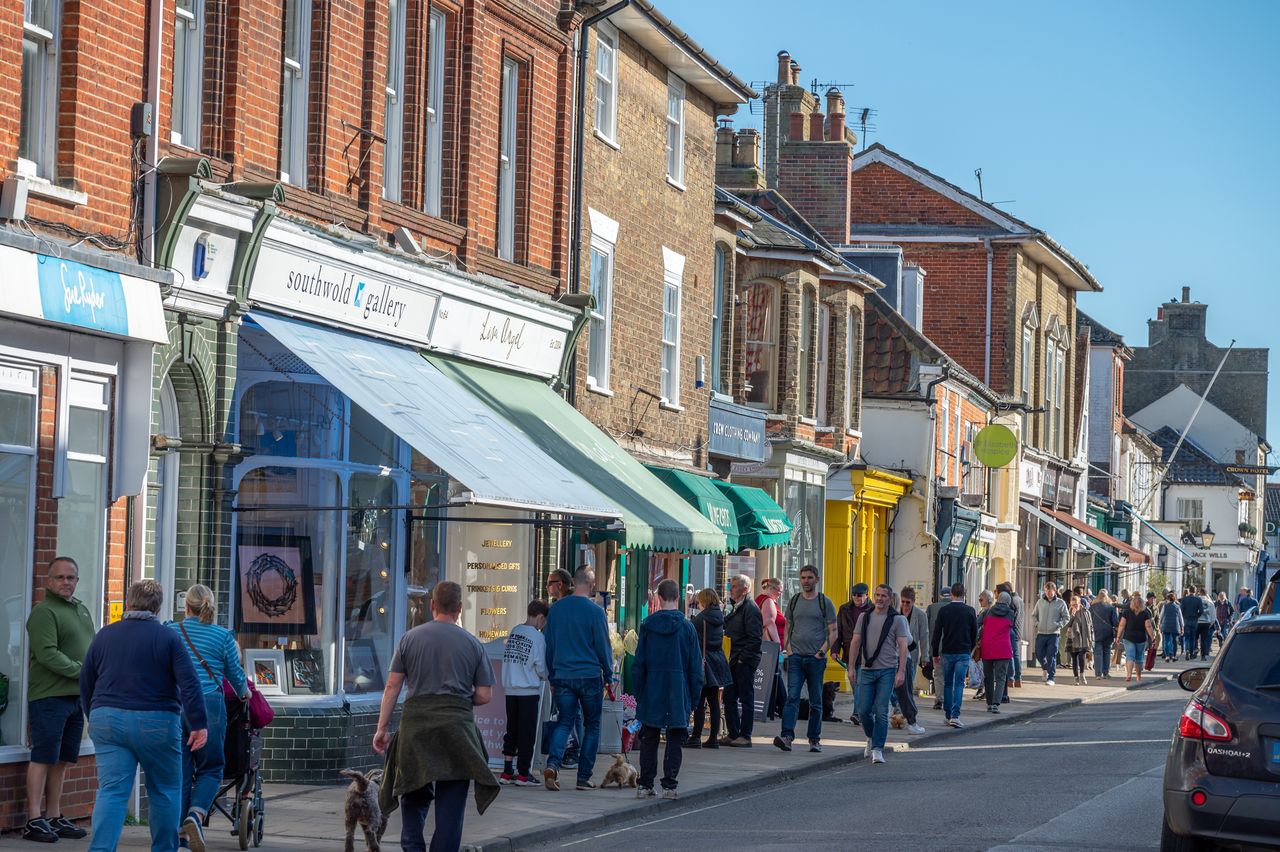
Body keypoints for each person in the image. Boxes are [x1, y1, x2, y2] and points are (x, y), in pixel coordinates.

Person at [81, 580, 208, 852]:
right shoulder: (168, 637)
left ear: (128, 602)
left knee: (112, 792)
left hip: (107, 719)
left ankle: (100, 849)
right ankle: (164, 849)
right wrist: (198, 723)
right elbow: (189, 683)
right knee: (164, 790)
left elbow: (86, 680)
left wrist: (94, 714)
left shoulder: (105, 635)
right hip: (157, 721)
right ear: (158, 606)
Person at [375, 581, 498, 852]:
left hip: (416, 729)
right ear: (459, 608)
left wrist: (382, 729)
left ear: (432, 605)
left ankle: (413, 847)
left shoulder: (410, 638)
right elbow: (485, 695)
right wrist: (459, 699)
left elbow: (392, 687)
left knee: (413, 793)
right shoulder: (473, 644)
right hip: (457, 731)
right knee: (451, 806)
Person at [170, 584, 250, 852]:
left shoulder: (172, 631)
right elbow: (236, 675)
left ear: (186, 606)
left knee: (181, 769)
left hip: (177, 704)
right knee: (211, 767)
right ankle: (196, 814)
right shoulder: (223, 636)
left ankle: (179, 835)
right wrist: (245, 693)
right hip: (210, 706)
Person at [24, 557, 96, 843]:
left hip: (75, 698)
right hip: (49, 696)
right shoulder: (44, 612)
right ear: (49, 581)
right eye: (60, 578)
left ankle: (53, 815)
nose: (66, 582)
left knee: (64, 759)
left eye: (71, 578)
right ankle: (33, 819)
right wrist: (83, 672)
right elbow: (47, 654)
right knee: (43, 756)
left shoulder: (81, 609)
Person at [542, 568, 614, 791]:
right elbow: (603, 646)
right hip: (590, 675)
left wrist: (552, 676)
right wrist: (609, 674)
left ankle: (553, 764)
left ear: (573, 581)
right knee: (592, 725)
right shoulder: (595, 611)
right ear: (592, 585)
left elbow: (549, 645)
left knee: (565, 721)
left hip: (563, 674)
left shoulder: (556, 609)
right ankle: (583, 777)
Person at [632, 580, 702, 800]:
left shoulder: (647, 625)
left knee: (649, 736)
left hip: (652, 686)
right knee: (675, 736)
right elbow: (695, 668)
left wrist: (639, 692)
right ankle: (669, 786)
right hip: (678, 687)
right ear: (678, 598)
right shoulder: (688, 627)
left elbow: (639, 664)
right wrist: (694, 698)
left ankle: (645, 785)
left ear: (658, 598)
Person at [775, 565, 837, 753]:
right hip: (796, 658)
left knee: (816, 700)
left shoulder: (824, 602)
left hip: (815, 659)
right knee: (792, 697)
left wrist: (821, 652)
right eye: (803, 578)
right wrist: (789, 649)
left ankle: (814, 739)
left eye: (810, 578)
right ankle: (786, 736)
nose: (806, 581)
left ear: (817, 580)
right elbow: (787, 628)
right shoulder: (794, 601)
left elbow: (833, 631)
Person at [846, 584, 910, 764]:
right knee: (864, 711)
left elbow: (903, 646)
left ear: (890, 599)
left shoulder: (897, 619)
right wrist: (851, 667)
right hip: (866, 670)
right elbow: (855, 642)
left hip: (887, 670)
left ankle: (877, 749)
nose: (880, 598)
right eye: (877, 595)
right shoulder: (865, 617)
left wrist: (901, 671)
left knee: (881, 711)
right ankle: (870, 737)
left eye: (883, 596)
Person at [499, 599, 549, 786]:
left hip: (510, 690)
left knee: (511, 729)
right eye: (544, 622)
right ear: (540, 617)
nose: (543, 625)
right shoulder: (537, 638)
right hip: (528, 690)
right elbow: (541, 668)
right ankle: (523, 773)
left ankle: (506, 770)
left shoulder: (515, 631)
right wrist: (546, 676)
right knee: (526, 733)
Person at [688, 588, 731, 749]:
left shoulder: (701, 619)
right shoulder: (719, 616)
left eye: (699, 601)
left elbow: (692, 639)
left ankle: (696, 736)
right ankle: (713, 737)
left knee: (700, 701)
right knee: (714, 702)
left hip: (705, 664)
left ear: (704, 601)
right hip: (718, 661)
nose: (698, 604)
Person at [930, 582, 977, 729]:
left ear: (951, 594)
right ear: (964, 594)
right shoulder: (970, 611)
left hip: (947, 651)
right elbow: (974, 633)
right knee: (959, 684)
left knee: (948, 683)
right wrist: (970, 648)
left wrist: (935, 653)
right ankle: (955, 716)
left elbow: (936, 634)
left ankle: (948, 714)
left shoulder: (944, 611)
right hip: (963, 651)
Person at [722, 575, 762, 747]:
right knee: (729, 697)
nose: (731, 588)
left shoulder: (750, 608)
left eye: (735, 586)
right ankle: (733, 733)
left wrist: (742, 659)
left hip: (743, 660)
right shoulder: (735, 607)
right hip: (733, 658)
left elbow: (755, 638)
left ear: (745, 590)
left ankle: (745, 735)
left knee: (746, 697)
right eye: (731, 585)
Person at [834, 583, 872, 724]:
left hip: (867, 654)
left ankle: (858, 713)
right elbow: (838, 630)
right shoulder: (844, 609)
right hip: (850, 652)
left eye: (860, 595)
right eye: (854, 594)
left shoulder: (873, 610)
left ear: (866, 595)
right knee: (855, 683)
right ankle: (863, 711)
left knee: (860, 684)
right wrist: (835, 650)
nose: (856, 597)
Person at [897, 586, 928, 734]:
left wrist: (925, 656)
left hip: (911, 656)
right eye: (903, 602)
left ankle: (908, 716)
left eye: (908, 602)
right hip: (894, 656)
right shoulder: (896, 613)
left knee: (907, 687)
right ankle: (901, 713)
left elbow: (924, 637)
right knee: (900, 689)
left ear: (913, 601)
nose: (904, 605)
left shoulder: (920, 616)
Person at [977, 591, 1015, 713]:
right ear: (1008, 602)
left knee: (988, 676)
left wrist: (976, 641)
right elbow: (1012, 627)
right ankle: (996, 704)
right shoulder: (1010, 613)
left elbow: (978, 625)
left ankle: (989, 702)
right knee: (1001, 677)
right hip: (1003, 648)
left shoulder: (987, 612)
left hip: (987, 647)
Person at [754, 578, 786, 719]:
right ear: (771, 588)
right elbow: (768, 624)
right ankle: (783, 706)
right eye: (779, 591)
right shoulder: (767, 601)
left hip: (766, 645)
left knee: (773, 677)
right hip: (769, 646)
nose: (780, 594)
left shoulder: (761, 599)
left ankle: (777, 707)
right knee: (774, 676)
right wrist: (777, 644)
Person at [1032, 582, 1069, 686]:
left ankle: (1051, 678)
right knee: (1039, 653)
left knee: (1051, 655)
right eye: (1047, 591)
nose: (1048, 593)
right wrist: (1036, 624)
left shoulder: (1060, 603)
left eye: (1050, 591)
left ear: (1055, 591)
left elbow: (1067, 617)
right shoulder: (1040, 602)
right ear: (1044, 591)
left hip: (1054, 633)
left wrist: (1059, 625)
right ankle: (1045, 668)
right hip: (1041, 632)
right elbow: (1034, 615)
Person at [1117, 592, 1155, 683]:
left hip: (1128, 637)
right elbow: (1148, 627)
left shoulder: (1126, 612)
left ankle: (1128, 675)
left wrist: (1118, 636)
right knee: (1139, 658)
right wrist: (1152, 637)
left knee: (1130, 656)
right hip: (1141, 638)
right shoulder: (1145, 613)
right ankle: (1138, 676)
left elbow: (1121, 625)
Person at [925, 586, 952, 707]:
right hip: (953, 648)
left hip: (936, 647)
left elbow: (926, 629)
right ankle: (949, 700)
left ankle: (939, 699)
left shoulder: (932, 608)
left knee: (938, 674)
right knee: (950, 675)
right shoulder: (956, 607)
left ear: (940, 596)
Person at [996, 582, 1024, 688]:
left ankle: (1011, 679)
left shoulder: (1011, 601)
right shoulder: (1019, 599)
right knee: (1016, 655)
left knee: (1010, 654)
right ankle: (1018, 679)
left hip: (1011, 630)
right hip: (1018, 630)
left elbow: (1009, 617)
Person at [1064, 596, 1094, 686]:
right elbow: (1066, 625)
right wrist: (1072, 616)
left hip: (1084, 637)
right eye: (1073, 605)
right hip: (1073, 638)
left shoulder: (1086, 612)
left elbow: (1091, 625)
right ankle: (1076, 678)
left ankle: (1082, 674)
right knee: (1074, 659)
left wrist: (1091, 638)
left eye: (1076, 604)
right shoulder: (1069, 612)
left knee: (1082, 657)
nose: (1075, 606)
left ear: (1080, 603)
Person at [1088, 590, 1118, 679]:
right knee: (1107, 652)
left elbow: (1089, 621)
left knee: (1097, 653)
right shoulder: (1110, 607)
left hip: (1096, 632)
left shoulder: (1092, 607)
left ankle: (1098, 674)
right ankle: (1105, 673)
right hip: (1108, 632)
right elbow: (1115, 622)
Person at [1178, 587, 1204, 660]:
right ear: (1195, 591)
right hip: (1194, 619)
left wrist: (1183, 617)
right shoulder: (1198, 599)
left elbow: (1181, 610)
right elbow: (1201, 610)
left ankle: (1187, 650)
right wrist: (1197, 616)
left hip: (1186, 619)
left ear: (1189, 591)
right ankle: (1191, 653)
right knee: (1193, 637)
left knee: (1187, 637)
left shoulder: (1184, 599)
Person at [1159, 592, 1185, 662]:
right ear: (1174, 599)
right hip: (1175, 626)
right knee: (1174, 641)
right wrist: (1182, 627)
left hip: (1166, 625)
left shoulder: (1165, 606)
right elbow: (1180, 618)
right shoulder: (1177, 607)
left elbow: (1161, 616)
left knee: (1166, 641)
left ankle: (1167, 656)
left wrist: (1160, 624)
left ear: (1168, 599)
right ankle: (1174, 656)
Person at [1195, 587, 1215, 660]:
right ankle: (1203, 656)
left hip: (1197, 621)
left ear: (1200, 592)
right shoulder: (1210, 602)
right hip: (1206, 622)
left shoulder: (1197, 600)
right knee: (1204, 639)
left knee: (1195, 637)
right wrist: (1212, 622)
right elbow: (1213, 613)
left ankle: (1195, 649)